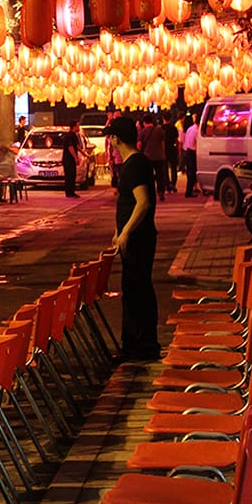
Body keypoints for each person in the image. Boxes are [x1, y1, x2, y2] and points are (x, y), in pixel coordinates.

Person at [107, 115, 160, 362]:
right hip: (136, 238)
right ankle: (139, 344)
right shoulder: (136, 163)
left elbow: (143, 202)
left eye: (111, 136)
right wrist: (120, 230)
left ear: (116, 139)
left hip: (139, 240)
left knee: (137, 291)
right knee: (135, 290)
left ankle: (140, 346)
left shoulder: (134, 165)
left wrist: (127, 230)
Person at [140, 115, 168, 203]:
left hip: (147, 157)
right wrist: (163, 154)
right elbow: (163, 143)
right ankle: (161, 192)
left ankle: (150, 193)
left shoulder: (142, 132)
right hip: (159, 156)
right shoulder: (159, 130)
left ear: (144, 123)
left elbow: (139, 145)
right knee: (160, 175)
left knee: (148, 176)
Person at [181, 112, 199, 197]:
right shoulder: (196, 131)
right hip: (192, 152)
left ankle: (189, 190)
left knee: (189, 172)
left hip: (187, 151)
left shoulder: (190, 129)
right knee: (192, 172)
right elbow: (198, 142)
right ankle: (189, 192)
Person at [162, 111, 180, 194]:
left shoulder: (161, 128)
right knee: (173, 168)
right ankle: (173, 184)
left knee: (165, 168)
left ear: (163, 118)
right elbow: (176, 140)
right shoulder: (173, 128)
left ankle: (167, 185)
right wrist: (178, 150)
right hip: (172, 149)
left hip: (164, 150)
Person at [62, 121, 80, 198]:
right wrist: (75, 158)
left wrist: (84, 154)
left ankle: (71, 191)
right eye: (77, 126)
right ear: (73, 127)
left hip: (71, 159)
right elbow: (71, 147)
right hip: (68, 159)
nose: (79, 128)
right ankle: (69, 192)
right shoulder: (69, 136)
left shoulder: (74, 135)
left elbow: (77, 146)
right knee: (69, 175)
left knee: (73, 175)